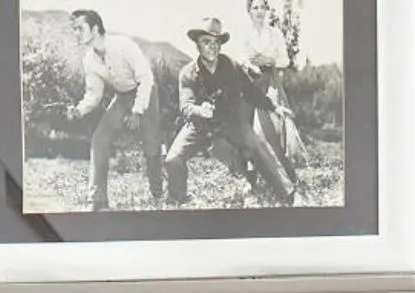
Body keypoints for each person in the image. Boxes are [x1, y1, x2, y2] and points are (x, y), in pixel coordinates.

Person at [164, 16, 299, 209]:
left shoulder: (231, 66)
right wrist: (200, 110)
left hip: (229, 121)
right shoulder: (187, 73)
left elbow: (251, 92)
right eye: (206, 42)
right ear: (197, 45)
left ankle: (287, 194)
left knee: (255, 144)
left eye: (216, 42)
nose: (212, 46)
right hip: (199, 124)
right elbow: (185, 106)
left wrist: (274, 107)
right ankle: (179, 199)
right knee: (173, 159)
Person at [68, 10, 165, 212]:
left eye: (80, 28)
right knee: (99, 140)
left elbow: (146, 79)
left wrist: (138, 111)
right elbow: (94, 94)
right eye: (73, 29)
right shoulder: (89, 61)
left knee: (152, 148)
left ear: (95, 29)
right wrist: (78, 110)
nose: (76, 33)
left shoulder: (123, 45)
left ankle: (158, 194)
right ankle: (98, 201)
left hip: (145, 92)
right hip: (122, 97)